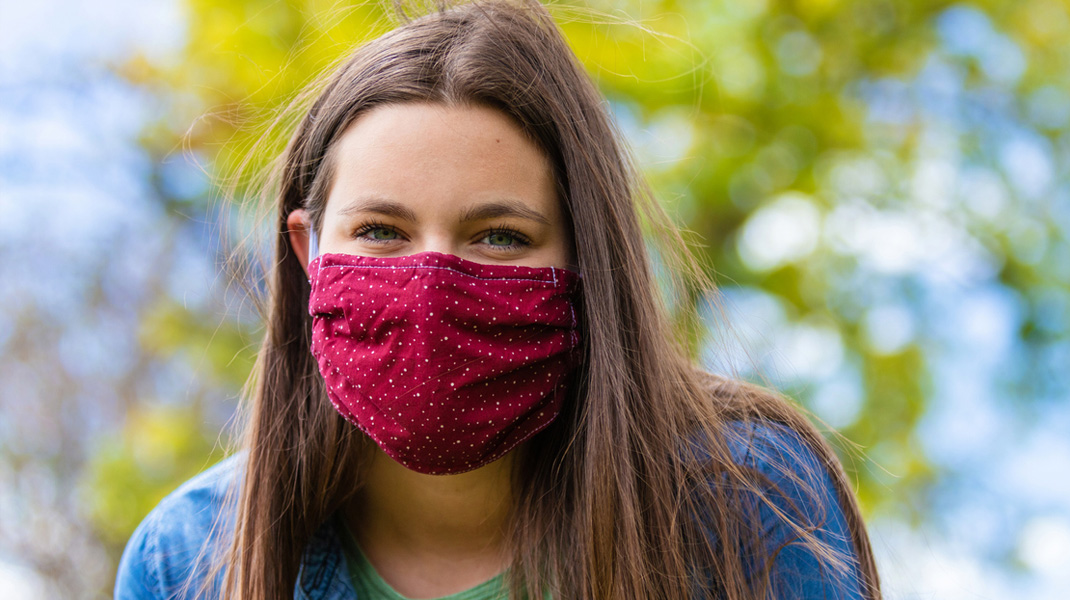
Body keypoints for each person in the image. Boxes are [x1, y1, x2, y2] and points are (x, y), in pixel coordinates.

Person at [114, 1, 881, 598]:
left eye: (500, 237)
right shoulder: (182, 560)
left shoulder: (743, 500)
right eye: (381, 230)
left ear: (588, 262)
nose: (432, 281)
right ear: (306, 252)